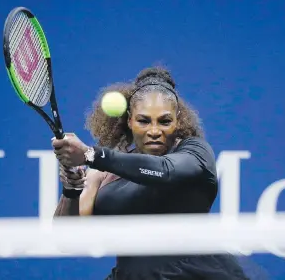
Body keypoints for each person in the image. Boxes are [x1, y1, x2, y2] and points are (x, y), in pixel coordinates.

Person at [52, 67, 250, 279]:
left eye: (164, 121)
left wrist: (91, 155)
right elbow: (66, 241)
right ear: (129, 120)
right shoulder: (101, 174)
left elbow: (164, 171)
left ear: (178, 120)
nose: (154, 131)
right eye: (144, 121)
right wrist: (71, 190)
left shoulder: (196, 153)